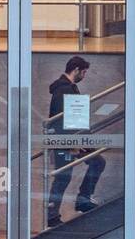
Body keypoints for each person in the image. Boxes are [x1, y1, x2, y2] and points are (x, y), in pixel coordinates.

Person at [45, 56, 105, 228]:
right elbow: (58, 119)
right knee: (64, 176)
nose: (84, 76)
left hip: (73, 138)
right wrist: (72, 143)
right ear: (76, 69)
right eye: (84, 72)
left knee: (96, 162)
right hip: (67, 140)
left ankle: (80, 200)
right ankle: (53, 214)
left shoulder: (68, 88)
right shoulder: (63, 90)